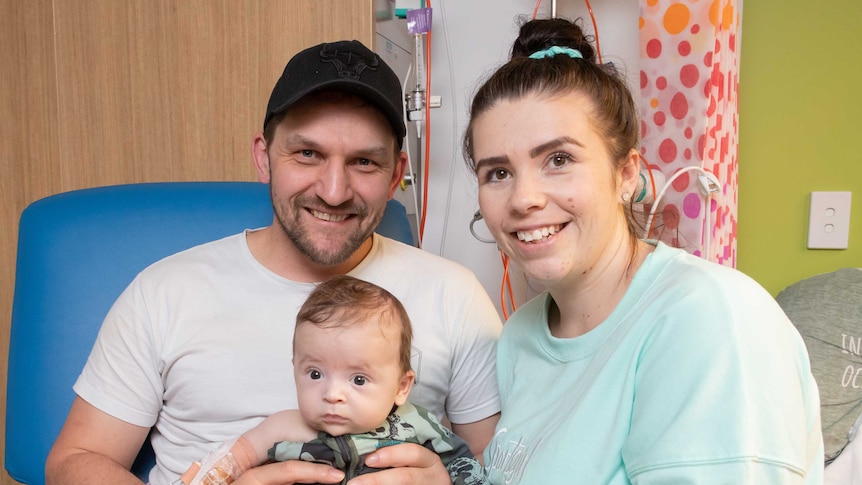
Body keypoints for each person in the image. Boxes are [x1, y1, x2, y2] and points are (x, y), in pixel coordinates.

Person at [46, 40, 502, 485]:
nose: (334, 191)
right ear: (264, 157)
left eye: (364, 162)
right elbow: (76, 461)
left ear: (396, 174)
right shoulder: (165, 292)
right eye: (308, 154)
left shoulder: (455, 296)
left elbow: (497, 466)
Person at [461, 17, 824, 484]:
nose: (523, 198)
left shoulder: (709, 317)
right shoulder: (520, 336)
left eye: (559, 159)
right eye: (498, 172)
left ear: (628, 174)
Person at [178, 275, 487, 485]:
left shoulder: (416, 425)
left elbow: (462, 462)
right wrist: (211, 476)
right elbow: (236, 456)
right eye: (315, 374)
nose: (332, 394)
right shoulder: (285, 425)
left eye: (359, 380)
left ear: (401, 387)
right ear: (295, 368)